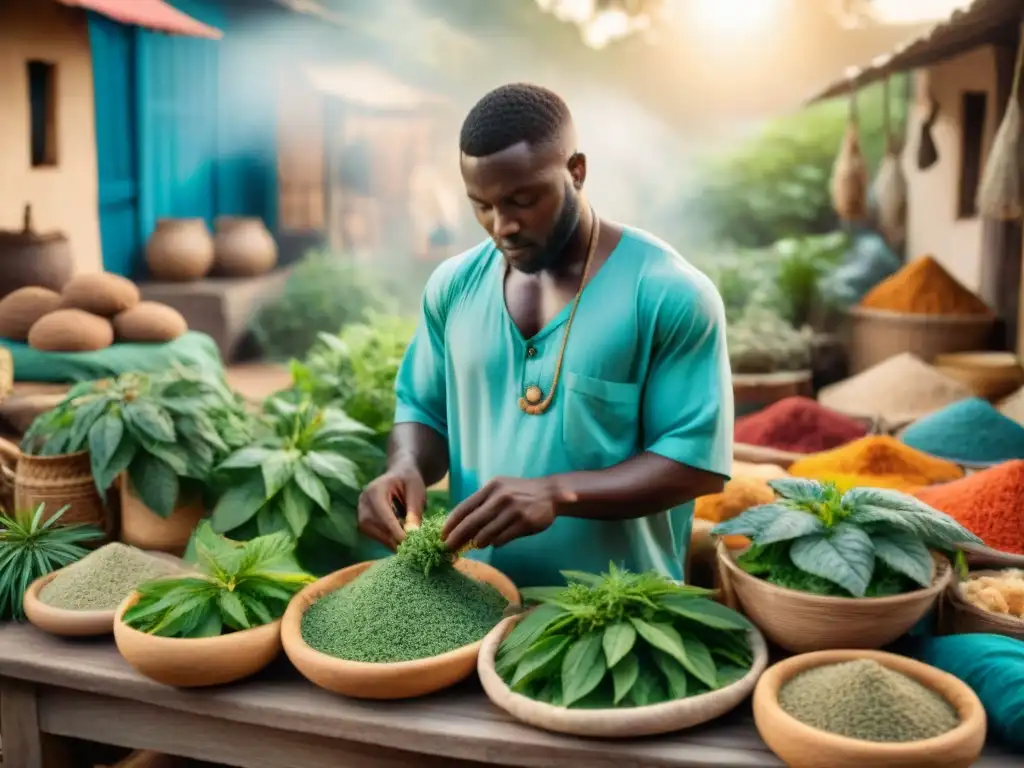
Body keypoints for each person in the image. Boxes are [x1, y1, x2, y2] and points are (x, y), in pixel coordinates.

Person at [357, 83, 733, 587]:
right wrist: (404, 466)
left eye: (522, 200)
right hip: (477, 609)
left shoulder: (668, 293)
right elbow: (423, 411)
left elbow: (695, 464)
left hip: (622, 619)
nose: (502, 226)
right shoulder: (453, 287)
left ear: (576, 171)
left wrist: (557, 493)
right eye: (482, 205)